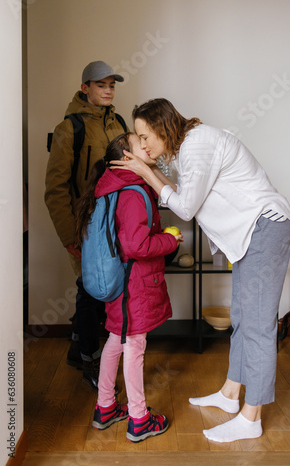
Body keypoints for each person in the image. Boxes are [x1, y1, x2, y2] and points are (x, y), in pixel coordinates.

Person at [110, 97, 290, 443]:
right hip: (252, 233)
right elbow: (185, 194)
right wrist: (151, 172)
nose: (144, 144)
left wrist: (147, 173)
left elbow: (185, 207)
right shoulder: (189, 148)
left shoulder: (197, 145)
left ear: (163, 127)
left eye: (145, 136)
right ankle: (229, 394)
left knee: (256, 326)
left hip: (264, 228)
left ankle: (251, 417)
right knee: (241, 316)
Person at [75, 132, 182, 442]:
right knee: (134, 346)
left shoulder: (112, 186)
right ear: (125, 155)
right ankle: (139, 418)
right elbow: (135, 245)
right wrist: (170, 240)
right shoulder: (133, 192)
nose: (147, 146)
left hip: (119, 280)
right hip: (136, 283)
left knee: (115, 340)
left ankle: (105, 407)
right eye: (140, 143)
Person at [45, 61, 128, 391]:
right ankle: (92, 361)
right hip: (85, 226)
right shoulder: (69, 129)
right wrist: (69, 235)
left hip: (115, 223)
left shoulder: (118, 123)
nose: (108, 90)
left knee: (101, 290)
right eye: (101, 85)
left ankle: (78, 349)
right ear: (85, 88)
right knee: (92, 291)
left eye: (112, 85)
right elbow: (55, 189)